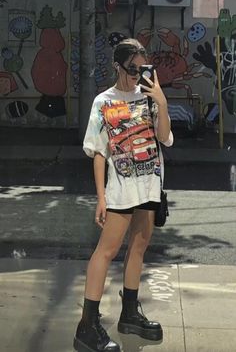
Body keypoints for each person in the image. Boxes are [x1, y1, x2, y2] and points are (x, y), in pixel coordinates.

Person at [73, 38, 173, 352]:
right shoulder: (104, 101)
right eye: (132, 69)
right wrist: (101, 197)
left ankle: (129, 313)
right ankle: (87, 325)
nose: (136, 76)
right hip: (120, 190)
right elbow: (99, 152)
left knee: (139, 248)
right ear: (118, 66)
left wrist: (161, 101)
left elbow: (164, 138)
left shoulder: (149, 98)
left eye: (142, 69)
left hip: (148, 186)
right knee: (106, 251)